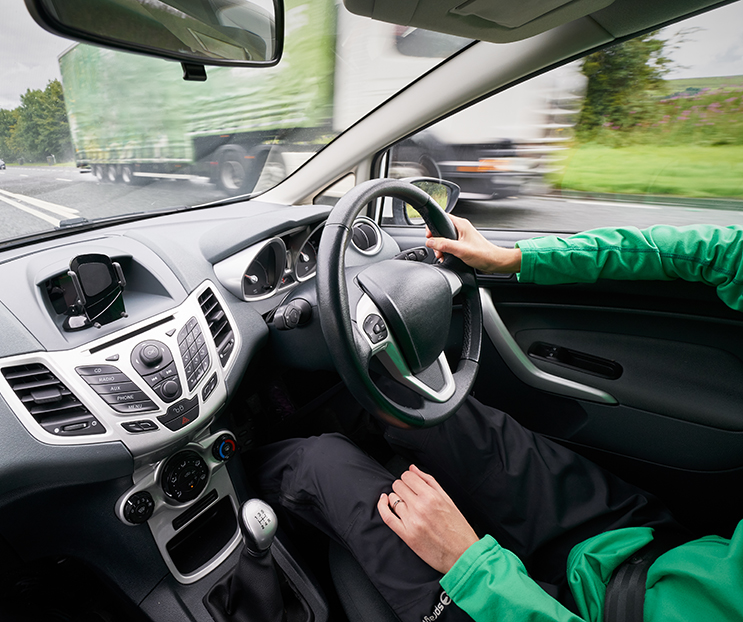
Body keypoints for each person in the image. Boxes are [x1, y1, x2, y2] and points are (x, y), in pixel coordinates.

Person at [255, 218, 743, 622]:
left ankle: (242, 474)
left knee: (321, 463)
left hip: (550, 610)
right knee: (424, 407)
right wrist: (516, 259)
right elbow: (715, 252)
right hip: (649, 549)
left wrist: (470, 564)